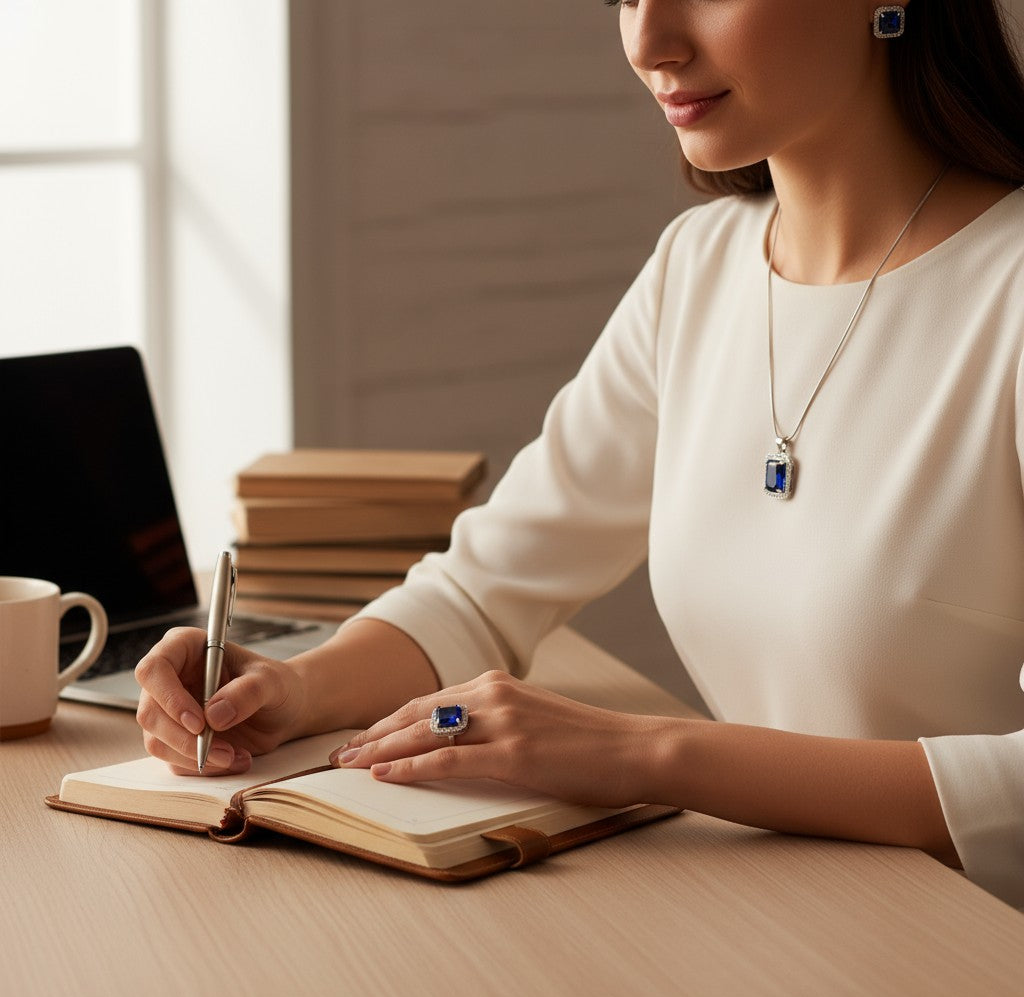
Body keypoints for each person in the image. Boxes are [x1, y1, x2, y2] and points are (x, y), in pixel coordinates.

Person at [136, 1, 1024, 906]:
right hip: (791, 914)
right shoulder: (701, 265)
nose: (650, 45)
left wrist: (646, 753)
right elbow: (486, 586)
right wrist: (289, 690)